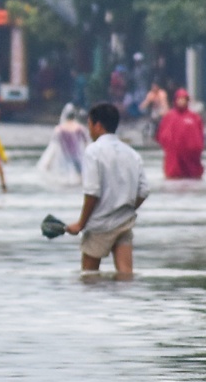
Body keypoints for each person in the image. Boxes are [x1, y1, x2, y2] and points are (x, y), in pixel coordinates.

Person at [64, 102, 149, 278]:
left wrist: (80, 224)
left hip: (99, 224)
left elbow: (92, 193)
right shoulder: (132, 153)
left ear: (98, 125)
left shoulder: (93, 151)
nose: (89, 131)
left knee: (88, 277)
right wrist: (127, 208)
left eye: (89, 125)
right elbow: (143, 191)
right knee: (126, 276)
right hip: (124, 222)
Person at [156, 88, 206, 179]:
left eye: (184, 99)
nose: (182, 102)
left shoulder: (194, 117)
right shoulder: (169, 117)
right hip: (174, 157)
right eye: (180, 99)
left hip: (191, 159)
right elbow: (162, 135)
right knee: (174, 177)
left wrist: (196, 148)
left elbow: (200, 136)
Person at [37, 103, 89, 185]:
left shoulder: (59, 128)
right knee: (80, 176)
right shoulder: (79, 127)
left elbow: (54, 145)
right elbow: (86, 141)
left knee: (65, 176)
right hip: (76, 154)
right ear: (74, 117)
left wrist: (49, 162)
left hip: (64, 155)